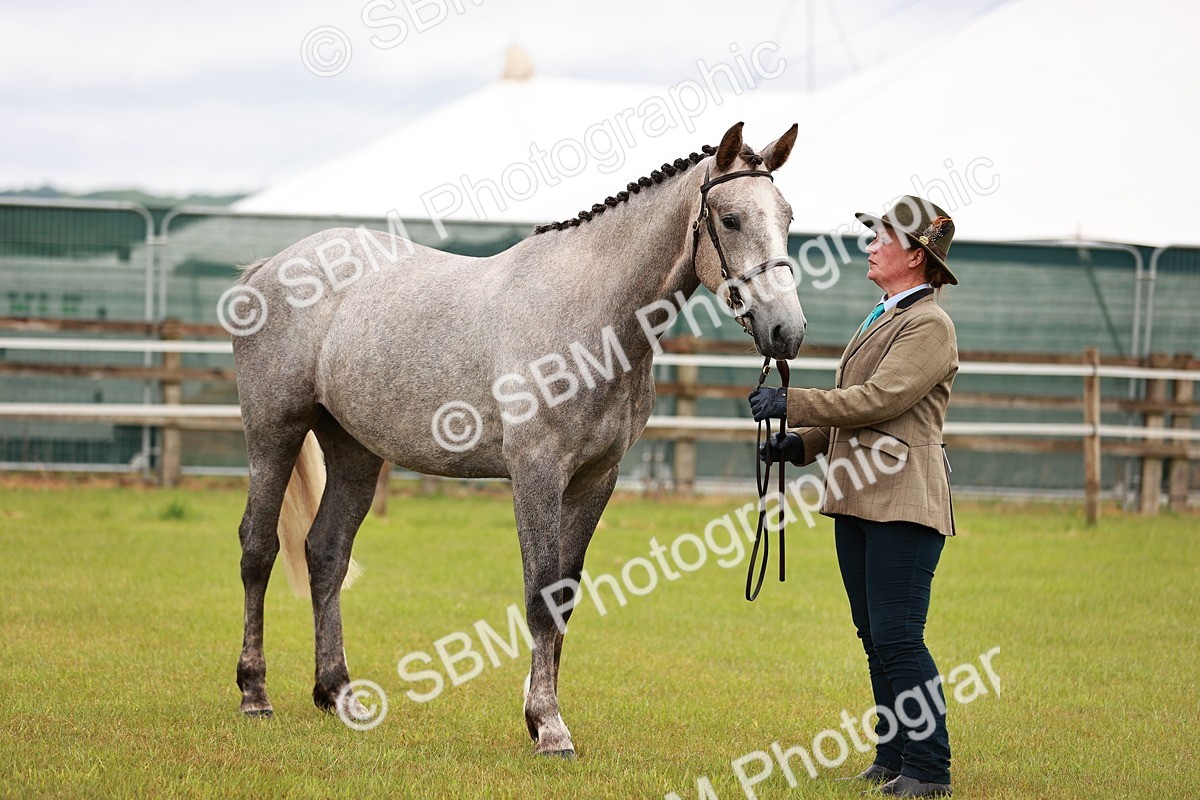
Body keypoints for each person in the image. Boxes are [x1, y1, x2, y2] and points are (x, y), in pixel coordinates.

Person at [749, 196, 959, 798]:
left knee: (898, 636)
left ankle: (929, 768)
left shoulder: (928, 326)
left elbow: (879, 401)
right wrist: (802, 444)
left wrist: (793, 403)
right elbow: (857, 408)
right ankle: (893, 754)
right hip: (861, 498)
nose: (870, 245)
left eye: (881, 238)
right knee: (874, 634)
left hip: (903, 501)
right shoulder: (885, 315)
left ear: (915, 255)